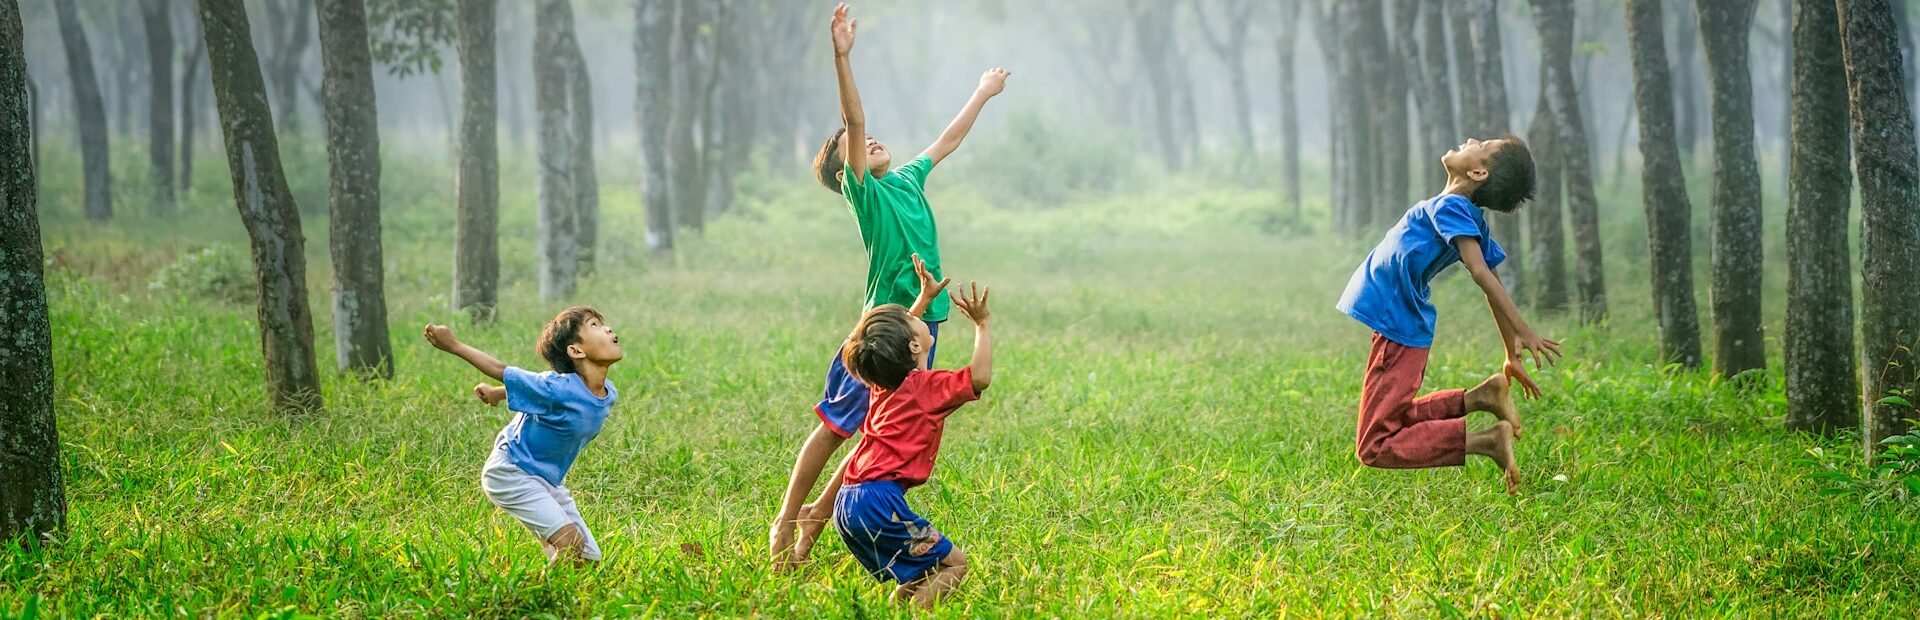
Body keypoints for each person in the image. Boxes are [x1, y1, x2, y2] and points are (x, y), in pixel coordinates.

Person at [771, 1, 1011, 567]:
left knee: (880, 435)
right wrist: (841, 57)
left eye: (873, 139)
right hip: (882, 330)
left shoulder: (905, 178)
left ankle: (810, 534)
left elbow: (947, 140)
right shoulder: (866, 193)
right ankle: (787, 522)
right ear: (844, 171)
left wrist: (982, 92)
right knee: (837, 427)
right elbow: (853, 121)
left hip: (922, 324)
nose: (870, 140)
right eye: (854, 146)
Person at [1334, 137, 1560, 494]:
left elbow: (1483, 273)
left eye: (1481, 144)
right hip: (1399, 324)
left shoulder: (1453, 207)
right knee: (1395, 418)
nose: (1471, 139)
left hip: (1398, 326)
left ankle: (1487, 442)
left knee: (1375, 444)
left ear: (1478, 171)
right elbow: (1492, 279)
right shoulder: (1460, 211)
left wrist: (1523, 330)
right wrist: (1510, 351)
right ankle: (1482, 397)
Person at [835, 280, 993, 608]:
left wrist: (922, 300)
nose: (915, 316)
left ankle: (894, 611)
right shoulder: (926, 388)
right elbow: (980, 377)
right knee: (955, 564)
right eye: (912, 319)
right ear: (913, 347)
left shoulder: (883, 382)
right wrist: (982, 324)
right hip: (879, 504)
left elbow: (891, 343)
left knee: (920, 571)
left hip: (848, 502)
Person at [423, 307, 622, 565]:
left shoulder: (608, 393)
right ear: (576, 350)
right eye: (594, 325)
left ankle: (558, 578)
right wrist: (453, 345)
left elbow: (539, 394)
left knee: (587, 559)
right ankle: (527, 599)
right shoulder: (556, 387)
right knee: (571, 546)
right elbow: (501, 369)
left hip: (547, 481)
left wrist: (497, 393)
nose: (607, 329)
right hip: (511, 471)